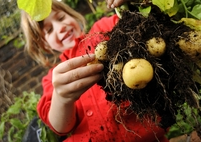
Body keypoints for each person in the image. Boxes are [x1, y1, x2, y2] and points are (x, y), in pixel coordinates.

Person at [20, 0, 170, 141]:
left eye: (61, 18)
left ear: (73, 16)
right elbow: (61, 127)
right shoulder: (54, 78)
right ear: (45, 45)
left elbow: (140, 24)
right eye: (50, 30)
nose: (60, 27)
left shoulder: (103, 29)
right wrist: (62, 98)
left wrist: (133, 4)